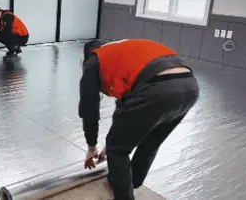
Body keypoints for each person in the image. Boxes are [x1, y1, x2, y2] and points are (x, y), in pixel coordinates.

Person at [79, 38, 199, 200]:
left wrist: (92, 146)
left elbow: (89, 108)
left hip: (157, 89)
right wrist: (114, 139)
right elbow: (127, 104)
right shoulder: (122, 51)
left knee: (118, 151)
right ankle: (131, 183)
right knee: (150, 142)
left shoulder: (94, 60)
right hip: (190, 86)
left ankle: (123, 194)